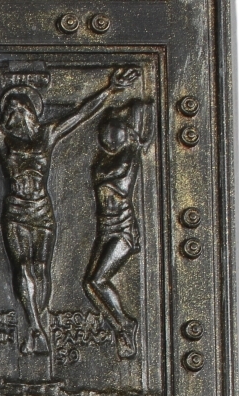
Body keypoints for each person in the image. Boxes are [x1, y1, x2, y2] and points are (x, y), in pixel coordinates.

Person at [0, 66, 141, 358]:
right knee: (23, 267)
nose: (15, 114)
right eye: (10, 110)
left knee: (40, 270)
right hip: (17, 212)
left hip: (42, 212)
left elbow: (81, 114)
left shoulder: (47, 135)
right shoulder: (3, 139)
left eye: (20, 109)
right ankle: (35, 328)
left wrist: (110, 89)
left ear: (31, 112)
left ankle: (36, 317)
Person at [86, 101, 151, 360]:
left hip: (122, 228)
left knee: (97, 280)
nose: (108, 140)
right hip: (105, 226)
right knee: (91, 283)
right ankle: (122, 326)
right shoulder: (106, 158)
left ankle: (125, 325)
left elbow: (143, 109)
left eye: (113, 134)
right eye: (105, 135)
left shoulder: (129, 156)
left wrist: (132, 114)